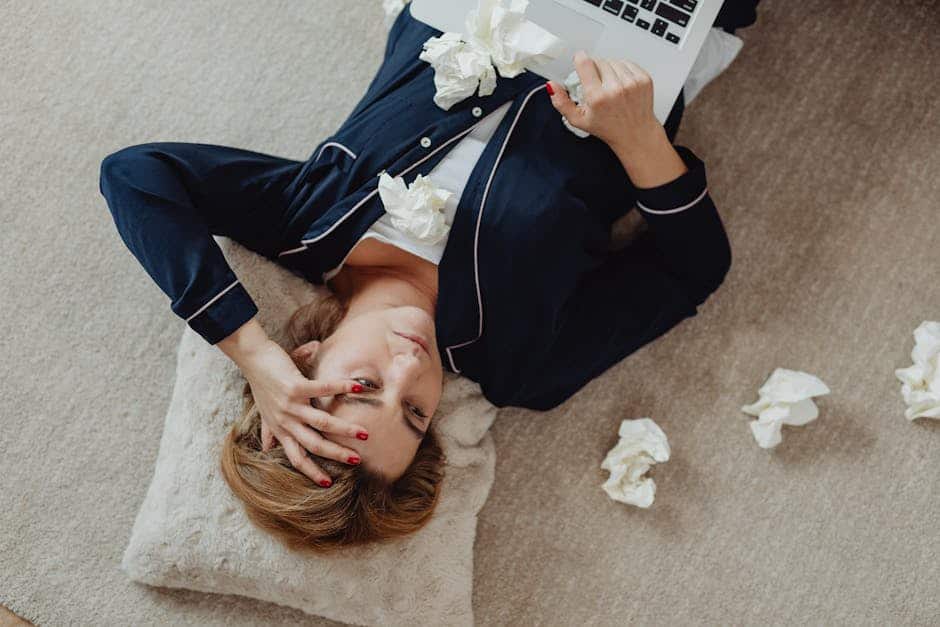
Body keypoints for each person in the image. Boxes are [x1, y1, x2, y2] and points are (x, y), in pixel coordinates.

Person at [98, 1, 760, 551]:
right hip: (651, 21)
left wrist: (248, 348)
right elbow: (694, 268)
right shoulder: (524, 362)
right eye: (416, 413)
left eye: (365, 385)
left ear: (307, 356)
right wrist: (640, 140)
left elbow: (135, 175)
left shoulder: (309, 221)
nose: (409, 372)